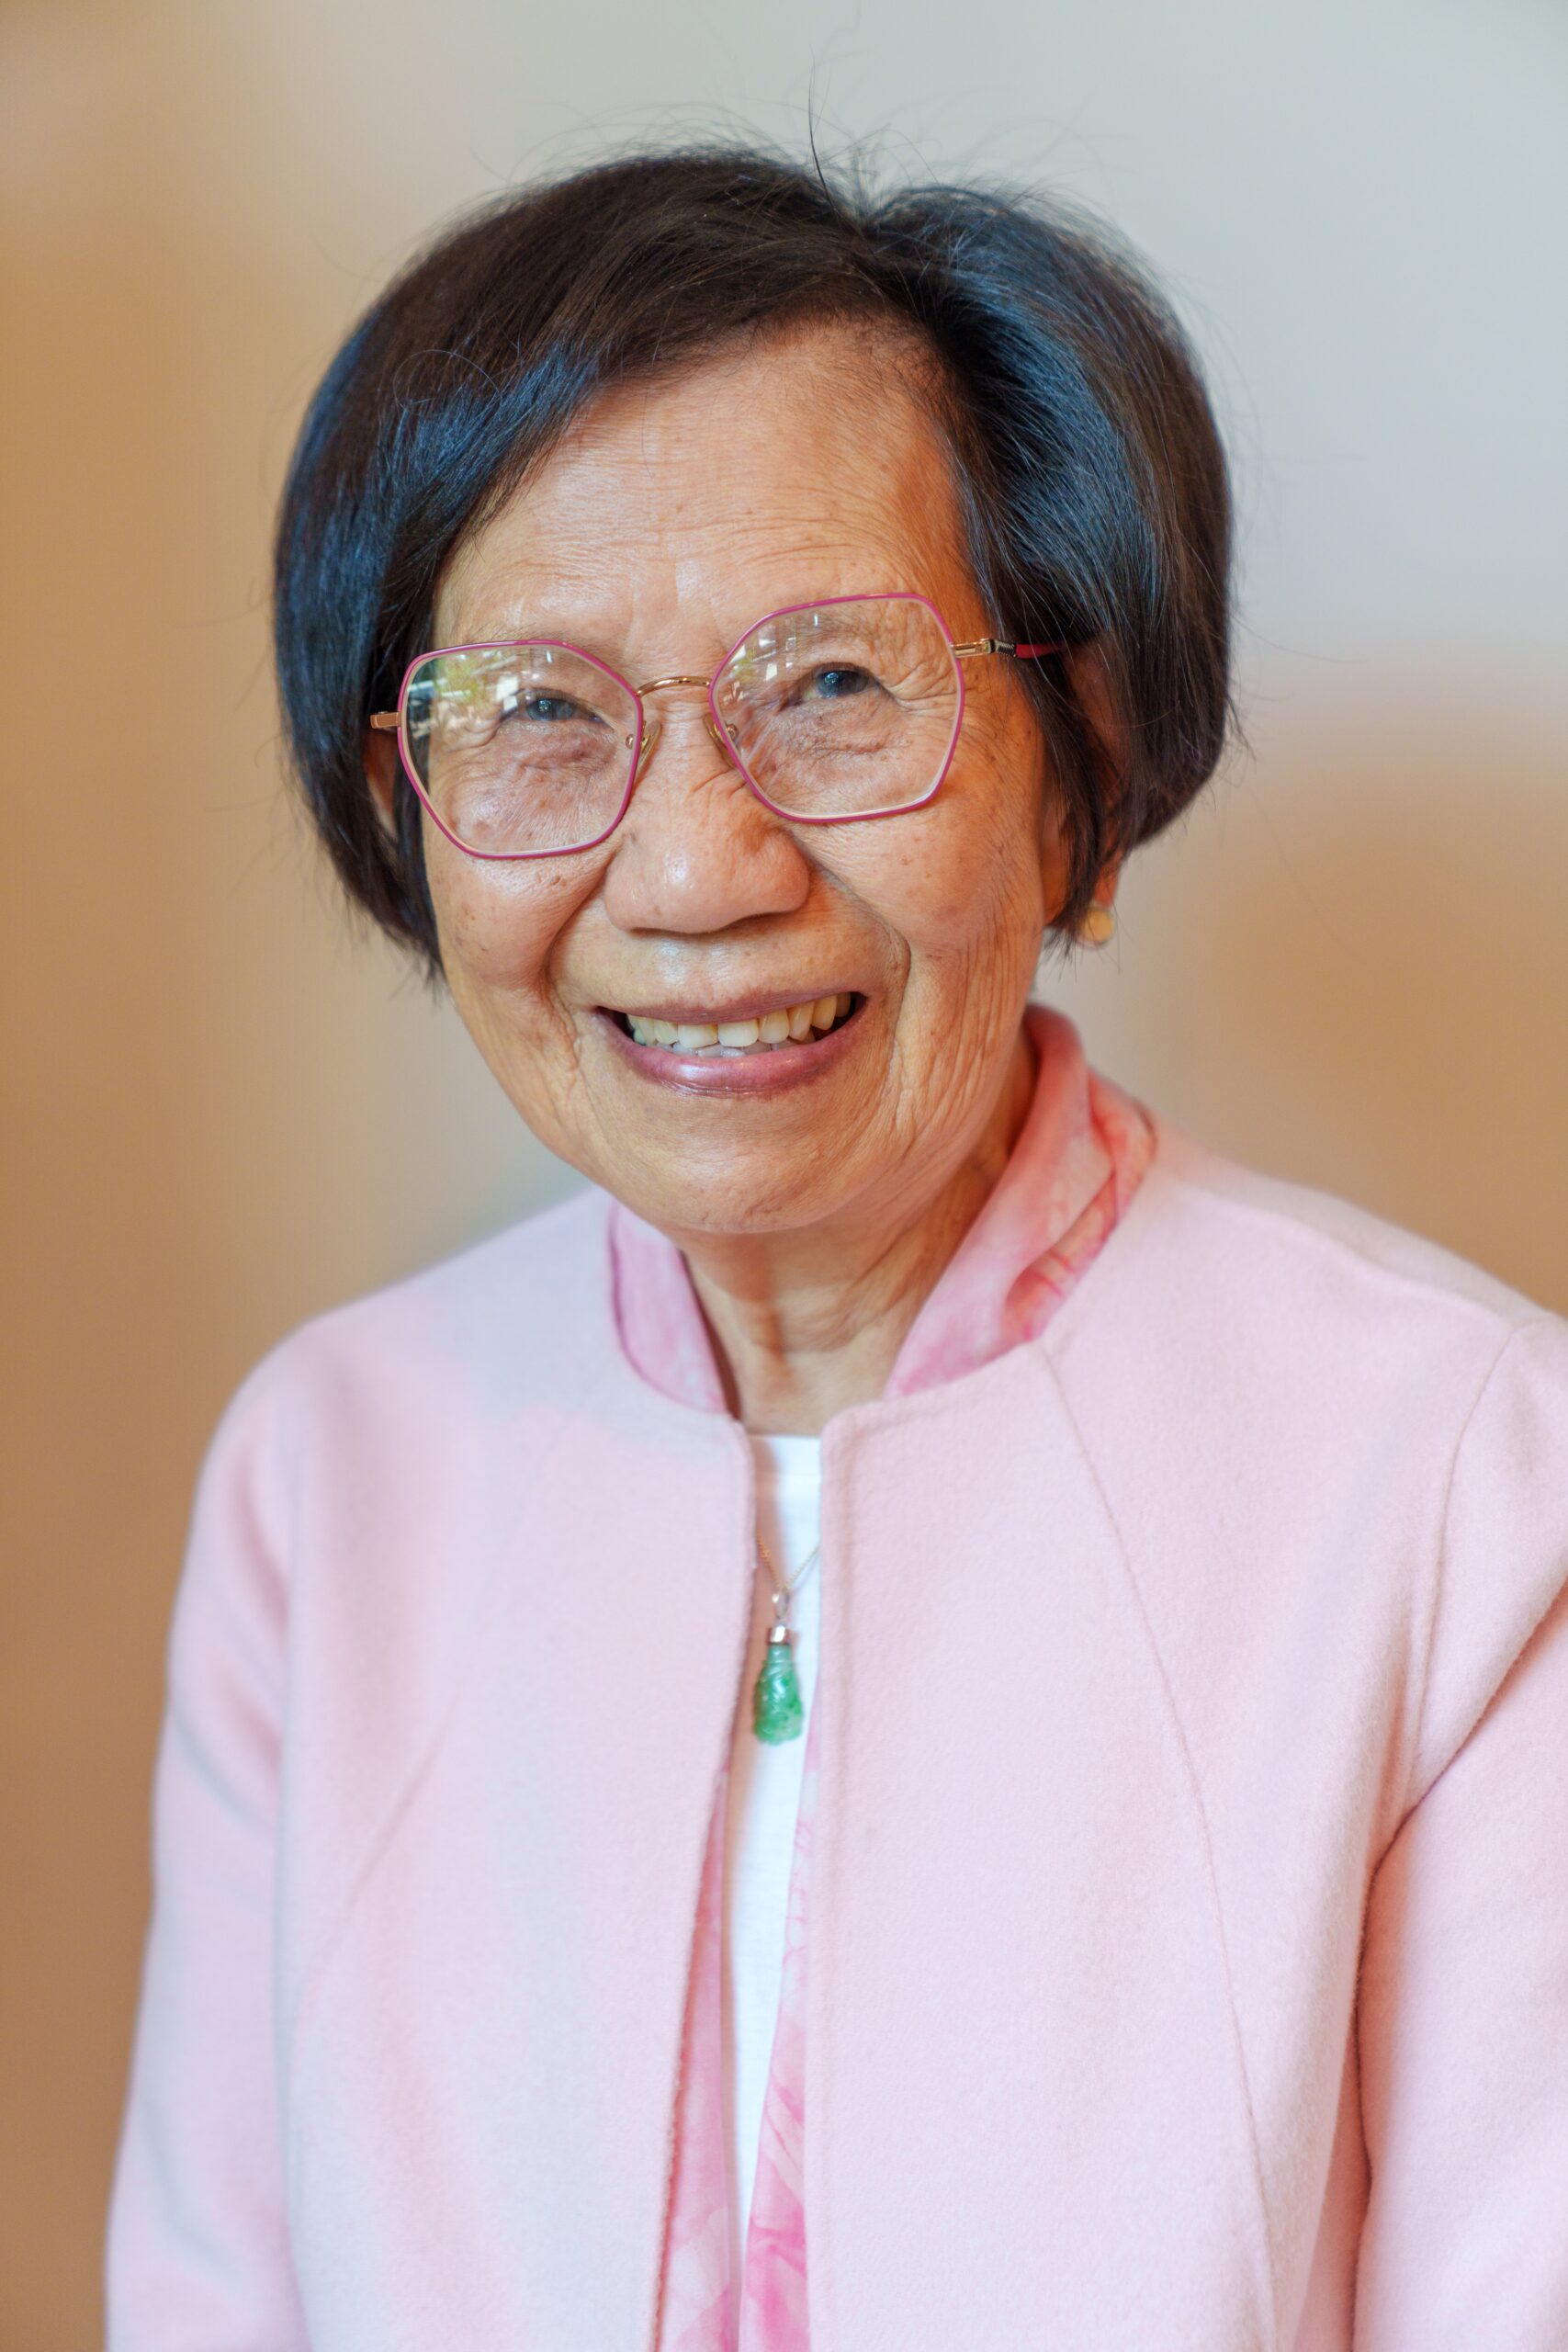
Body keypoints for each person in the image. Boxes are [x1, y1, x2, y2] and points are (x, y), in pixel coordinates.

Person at [105, 147, 1568, 2351]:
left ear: (1074, 764)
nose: (693, 870)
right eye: (536, 712)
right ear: (403, 808)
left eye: (835, 689)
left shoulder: (1462, 1475)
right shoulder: (333, 1472)